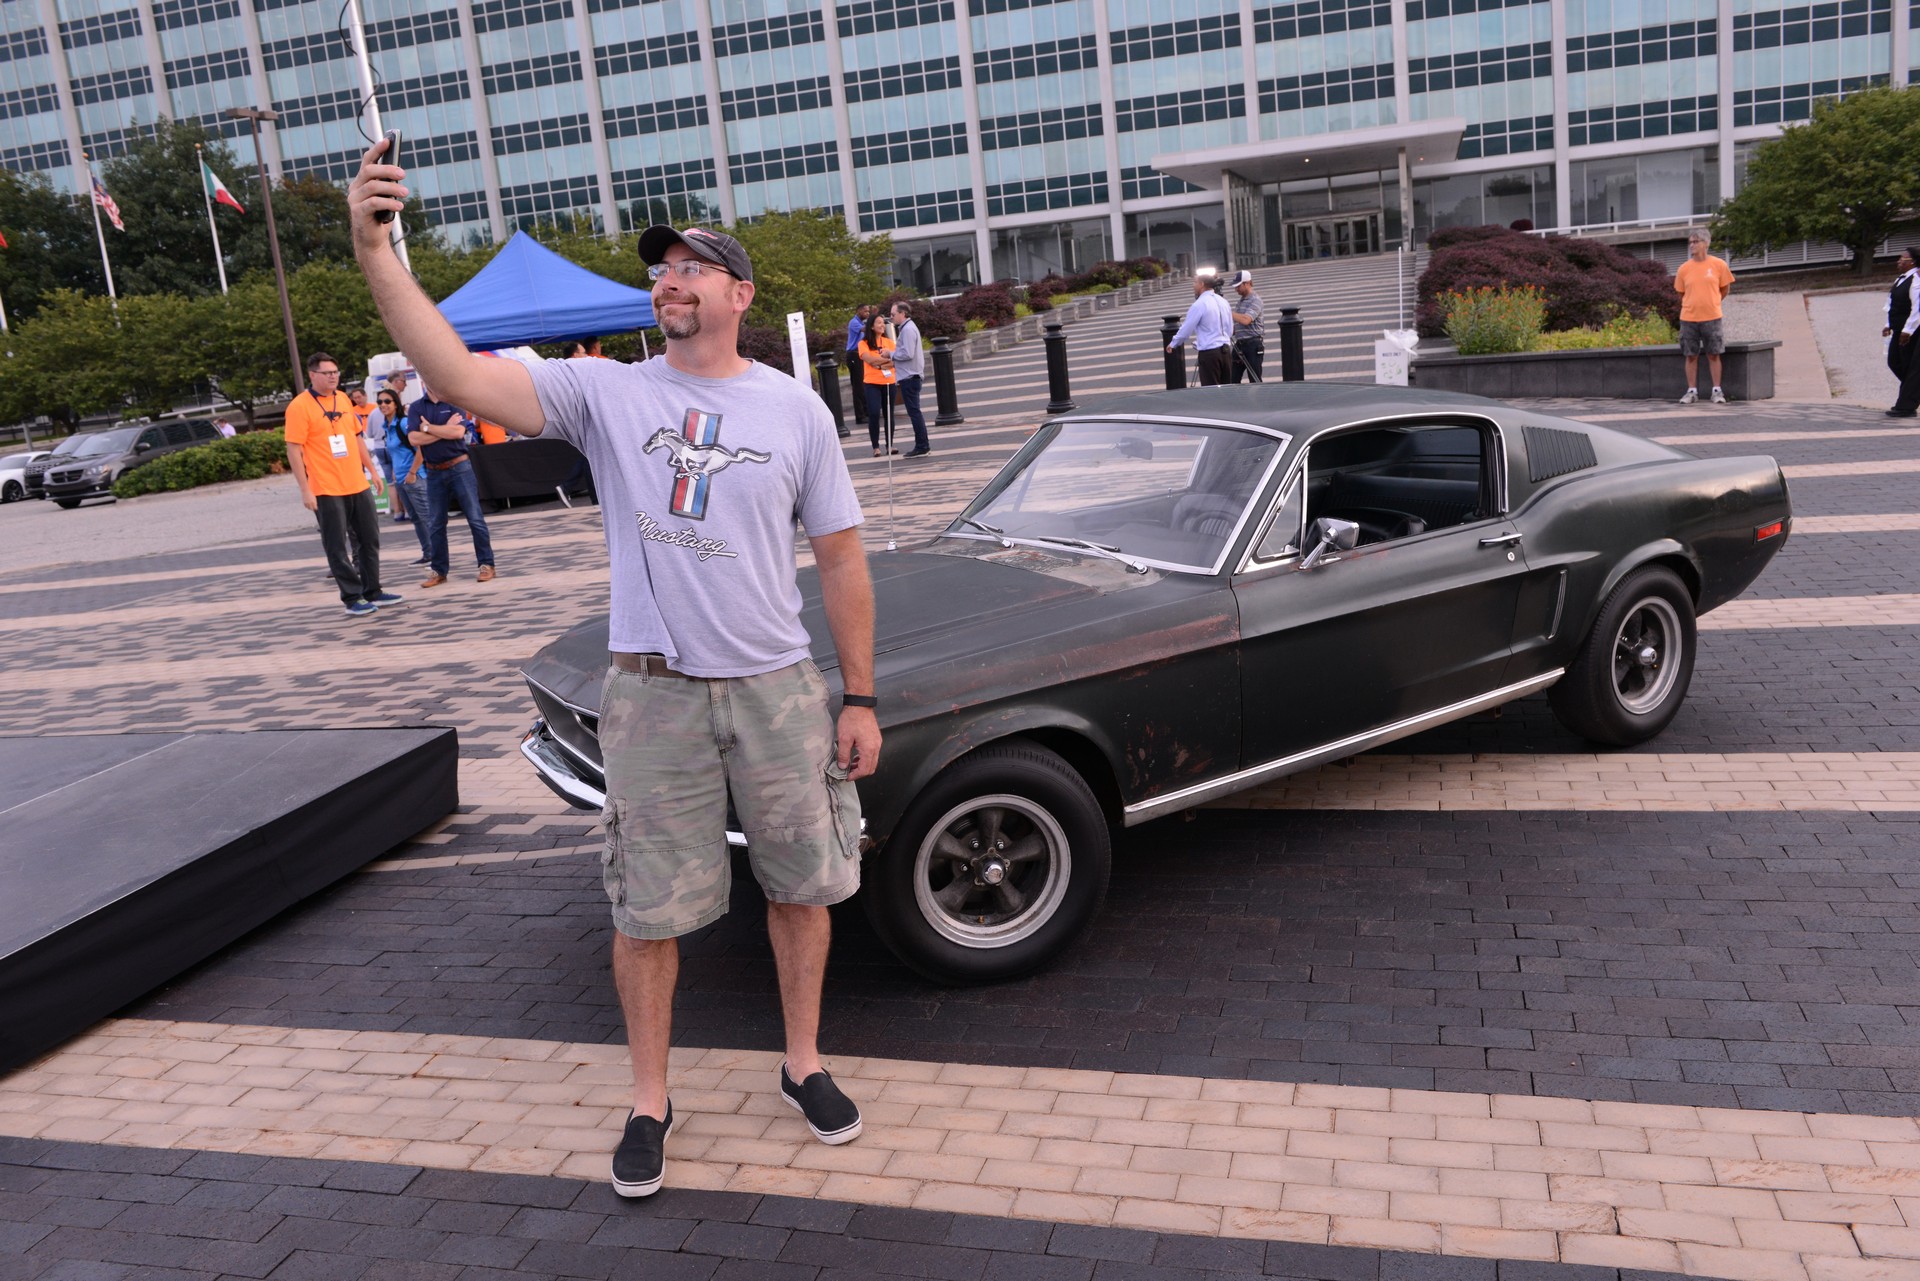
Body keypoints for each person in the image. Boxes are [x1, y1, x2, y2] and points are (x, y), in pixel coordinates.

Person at [350, 138, 881, 1202]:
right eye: (660, 269)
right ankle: (650, 1099)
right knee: (645, 911)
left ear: (739, 291)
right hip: (653, 695)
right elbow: (455, 373)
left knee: (802, 888)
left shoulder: (796, 408)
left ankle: (804, 1063)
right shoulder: (604, 393)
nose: (668, 280)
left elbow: (842, 555)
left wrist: (859, 695)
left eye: (690, 267)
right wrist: (375, 252)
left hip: (779, 688)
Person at [282, 351, 399, 618]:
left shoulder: (344, 399)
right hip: (325, 487)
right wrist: (305, 489)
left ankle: (373, 590)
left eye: (336, 372)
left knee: (369, 539)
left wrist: (373, 472)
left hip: (356, 483)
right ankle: (352, 596)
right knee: (336, 545)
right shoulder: (299, 407)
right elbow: (293, 450)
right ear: (313, 375)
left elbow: (356, 438)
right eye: (327, 373)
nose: (334, 376)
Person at [407, 383, 497, 585]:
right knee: (436, 523)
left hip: (459, 467)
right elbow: (413, 438)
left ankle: (486, 564)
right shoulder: (416, 407)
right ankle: (439, 570)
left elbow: (457, 433)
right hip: (433, 471)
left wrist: (427, 427)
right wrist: (444, 429)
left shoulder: (454, 401)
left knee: (475, 518)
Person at [1675, 228, 1735, 405]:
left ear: (1706, 244)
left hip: (1712, 317)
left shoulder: (1719, 265)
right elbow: (1681, 293)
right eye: (1690, 242)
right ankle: (1691, 391)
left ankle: (1717, 391)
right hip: (1688, 318)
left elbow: (1724, 289)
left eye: (1696, 242)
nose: (1692, 245)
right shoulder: (1684, 269)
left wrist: (1713, 302)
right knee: (1690, 355)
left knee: (1714, 354)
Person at [376, 387, 431, 562]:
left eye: (387, 401)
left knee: (426, 518)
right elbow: (395, 452)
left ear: (395, 403)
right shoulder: (387, 426)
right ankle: (428, 553)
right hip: (401, 479)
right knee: (416, 518)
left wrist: (413, 472)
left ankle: (438, 554)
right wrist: (394, 472)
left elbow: (421, 447)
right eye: (379, 402)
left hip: (415, 478)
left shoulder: (403, 423)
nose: (383, 405)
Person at [1167, 271, 1233, 385]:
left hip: (1210, 353)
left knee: (1211, 391)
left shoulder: (1200, 304)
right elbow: (1230, 328)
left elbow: (1187, 328)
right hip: (1226, 352)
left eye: (1195, 282)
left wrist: (1173, 343)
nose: (1193, 285)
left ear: (1202, 284)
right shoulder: (1223, 301)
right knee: (1226, 390)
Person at [886, 302, 931, 457]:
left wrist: (890, 354)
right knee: (914, 412)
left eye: (893, 314)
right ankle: (922, 444)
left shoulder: (908, 329)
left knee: (914, 412)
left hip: (910, 377)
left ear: (903, 313)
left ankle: (922, 445)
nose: (891, 317)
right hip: (909, 376)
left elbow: (908, 353)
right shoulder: (906, 328)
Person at [1882, 248, 1920, 418]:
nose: (1899, 261)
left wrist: (1907, 331)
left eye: (1902, 259)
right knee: (1895, 362)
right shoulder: (1901, 279)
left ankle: (1906, 406)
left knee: (1912, 367)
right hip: (1899, 328)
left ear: (1912, 262)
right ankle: (1912, 392)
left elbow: (1917, 308)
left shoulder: (1916, 279)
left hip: (1912, 331)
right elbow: (1893, 304)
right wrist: (1888, 324)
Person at [859, 311, 897, 456]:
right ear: (872, 327)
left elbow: (894, 361)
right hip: (871, 383)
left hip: (889, 382)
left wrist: (879, 364)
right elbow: (869, 359)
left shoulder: (889, 342)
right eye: (879, 323)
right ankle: (876, 446)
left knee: (889, 414)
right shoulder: (863, 344)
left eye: (883, 323)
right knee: (874, 413)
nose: (882, 325)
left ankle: (890, 445)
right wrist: (883, 362)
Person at [1228, 270, 1265, 383]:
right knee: (1231, 379)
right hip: (1239, 345)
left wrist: (1226, 311)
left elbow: (1246, 320)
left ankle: (1257, 400)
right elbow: (1238, 325)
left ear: (1247, 283)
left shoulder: (1256, 301)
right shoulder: (1240, 302)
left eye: (1238, 286)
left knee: (1254, 380)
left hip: (1253, 345)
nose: (1236, 289)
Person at [844, 304, 870, 429]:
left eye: (868, 311)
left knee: (863, 384)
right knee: (858, 386)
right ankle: (860, 416)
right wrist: (874, 323)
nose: (867, 313)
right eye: (865, 311)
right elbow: (864, 330)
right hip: (853, 355)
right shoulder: (854, 323)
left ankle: (866, 412)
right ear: (859, 311)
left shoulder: (861, 322)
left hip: (859, 355)